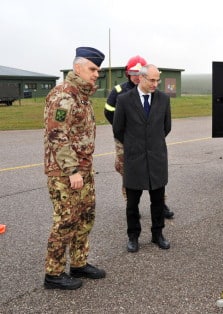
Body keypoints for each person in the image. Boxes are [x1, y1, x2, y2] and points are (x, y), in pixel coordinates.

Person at [43, 47, 106, 290]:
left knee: (85, 217)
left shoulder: (81, 96)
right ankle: (53, 273)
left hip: (83, 170)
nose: (96, 74)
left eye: (98, 70)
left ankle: (79, 263)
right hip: (66, 173)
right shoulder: (64, 95)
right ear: (77, 67)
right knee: (65, 221)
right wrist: (72, 171)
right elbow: (56, 135)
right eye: (92, 69)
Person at [104, 55, 174, 219]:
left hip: (149, 141)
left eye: (138, 72)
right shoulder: (120, 91)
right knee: (127, 170)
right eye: (132, 73)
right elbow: (108, 112)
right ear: (128, 74)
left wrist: (149, 136)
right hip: (126, 140)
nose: (136, 76)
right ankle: (131, 205)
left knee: (154, 172)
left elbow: (165, 125)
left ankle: (160, 204)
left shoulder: (154, 91)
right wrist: (128, 134)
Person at [113, 64, 171, 253]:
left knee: (158, 201)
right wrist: (135, 145)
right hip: (134, 159)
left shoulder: (163, 99)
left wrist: (152, 143)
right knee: (132, 203)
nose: (156, 84)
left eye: (157, 80)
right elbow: (118, 129)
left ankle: (157, 234)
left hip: (156, 158)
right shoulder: (124, 100)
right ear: (141, 78)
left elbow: (166, 127)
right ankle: (133, 237)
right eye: (152, 80)